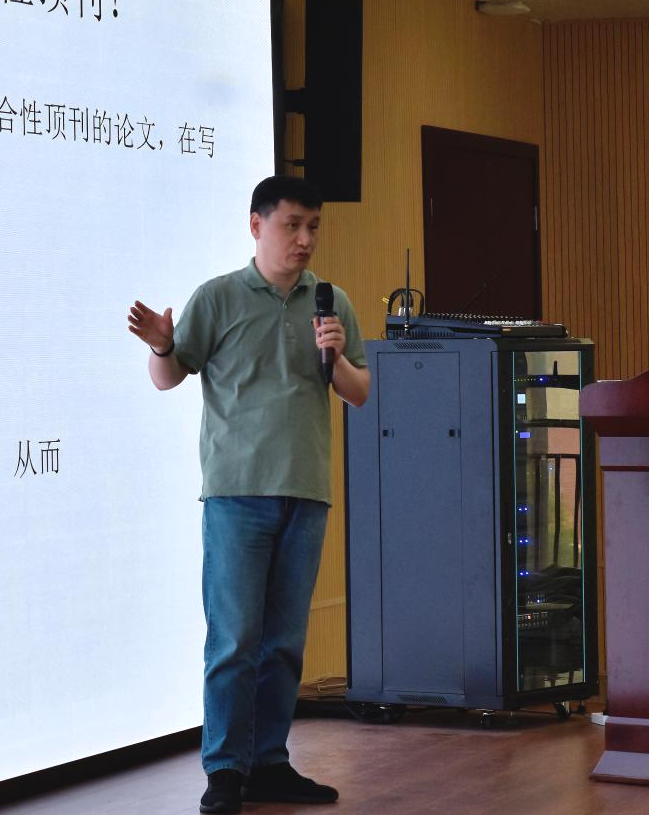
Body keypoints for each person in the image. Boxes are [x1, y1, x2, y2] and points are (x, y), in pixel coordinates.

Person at [127, 175, 370, 814]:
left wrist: (337, 356)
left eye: (313, 227)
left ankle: (269, 763)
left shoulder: (331, 302)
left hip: (306, 490)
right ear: (257, 225)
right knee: (234, 639)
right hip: (236, 494)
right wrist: (161, 344)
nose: (305, 239)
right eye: (292, 225)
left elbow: (360, 392)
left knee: (284, 641)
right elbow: (167, 377)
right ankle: (225, 770)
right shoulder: (219, 297)